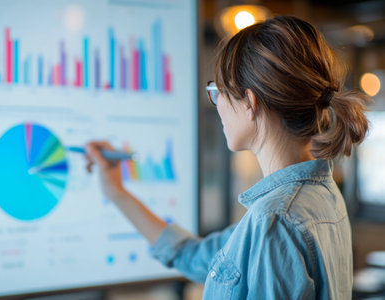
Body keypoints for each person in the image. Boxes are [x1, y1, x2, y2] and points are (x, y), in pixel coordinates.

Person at [84, 16, 370, 299]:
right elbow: (194, 256)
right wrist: (116, 191)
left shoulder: (273, 220)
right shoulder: (320, 196)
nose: (217, 102)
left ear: (249, 102)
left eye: (217, 91)